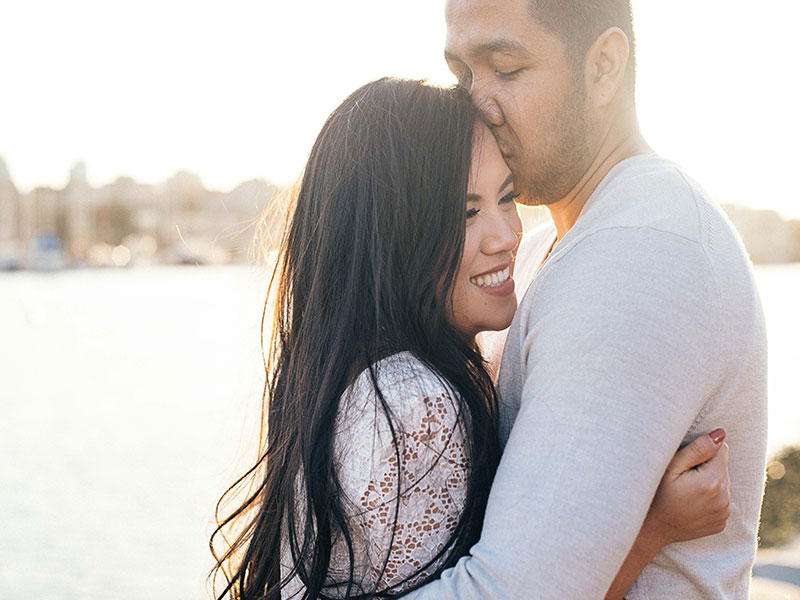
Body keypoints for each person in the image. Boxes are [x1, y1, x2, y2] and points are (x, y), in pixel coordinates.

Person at [209, 78, 731, 600]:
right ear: (392, 235)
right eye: (466, 212)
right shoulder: (416, 404)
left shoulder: (350, 375)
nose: (506, 235)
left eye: (507, 198)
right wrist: (651, 529)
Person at [403, 1, 768, 599]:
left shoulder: (638, 252)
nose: (476, 102)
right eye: (462, 73)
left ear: (602, 67)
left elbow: (515, 592)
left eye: (505, 68)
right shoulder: (542, 245)